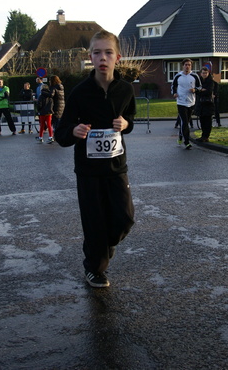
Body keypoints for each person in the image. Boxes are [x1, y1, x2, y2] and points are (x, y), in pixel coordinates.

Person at [54, 30, 136, 288]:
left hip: (116, 167)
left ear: (117, 58)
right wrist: (74, 132)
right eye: (97, 52)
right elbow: (61, 133)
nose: (103, 57)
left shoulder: (124, 90)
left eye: (108, 52)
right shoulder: (80, 93)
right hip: (88, 171)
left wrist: (125, 123)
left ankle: (105, 245)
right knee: (94, 221)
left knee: (125, 218)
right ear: (90, 57)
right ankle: (95, 268)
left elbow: (130, 121)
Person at [171, 59, 201, 150]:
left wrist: (195, 90)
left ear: (191, 66)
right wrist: (174, 93)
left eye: (189, 65)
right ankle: (187, 142)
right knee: (184, 122)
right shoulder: (178, 76)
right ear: (182, 66)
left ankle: (180, 135)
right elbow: (173, 86)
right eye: (186, 65)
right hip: (181, 102)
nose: (187, 66)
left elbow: (200, 87)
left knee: (186, 122)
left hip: (191, 102)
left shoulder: (194, 76)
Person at [195, 67, 216, 142]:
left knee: (208, 120)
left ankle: (206, 136)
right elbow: (195, 90)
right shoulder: (198, 81)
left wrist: (201, 91)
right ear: (200, 73)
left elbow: (209, 91)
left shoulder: (210, 82)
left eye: (206, 73)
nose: (204, 74)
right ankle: (203, 135)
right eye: (203, 73)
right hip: (200, 104)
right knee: (202, 120)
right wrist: (200, 90)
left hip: (208, 104)